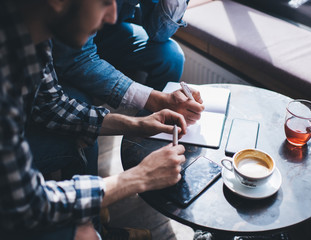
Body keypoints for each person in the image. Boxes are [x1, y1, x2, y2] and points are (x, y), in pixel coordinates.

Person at [0, 0, 203, 239]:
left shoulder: (33, 37)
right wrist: (137, 177)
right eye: (105, 2)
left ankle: (94, 226)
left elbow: (50, 105)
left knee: (83, 134)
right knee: (82, 234)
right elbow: (25, 204)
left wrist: (137, 124)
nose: (113, 17)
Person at [94, 0, 189, 91]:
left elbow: (158, 34)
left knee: (172, 56)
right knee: (84, 102)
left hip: (112, 29)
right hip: (83, 33)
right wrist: (145, 97)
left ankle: (156, 107)